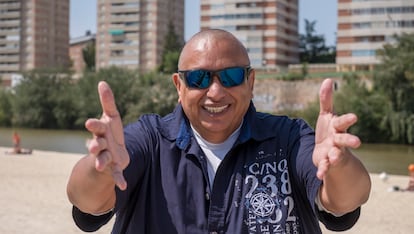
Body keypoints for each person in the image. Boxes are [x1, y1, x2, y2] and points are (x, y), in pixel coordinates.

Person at [67, 29, 371, 233]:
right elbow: (87, 201)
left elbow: (345, 200)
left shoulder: (288, 139)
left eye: (231, 76)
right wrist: (101, 170)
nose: (215, 92)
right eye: (198, 78)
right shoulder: (150, 139)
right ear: (179, 86)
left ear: (250, 83)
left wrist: (339, 165)